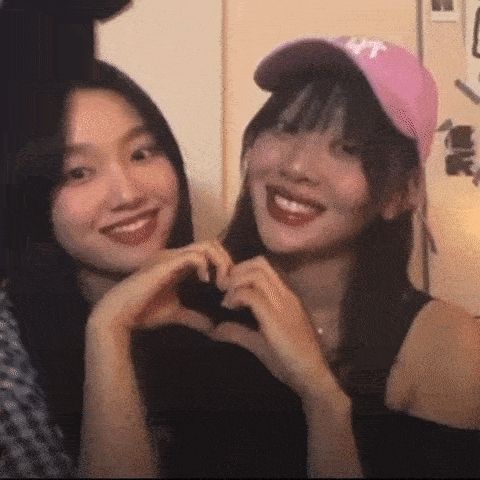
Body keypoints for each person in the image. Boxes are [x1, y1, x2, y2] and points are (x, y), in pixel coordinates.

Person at [82, 36, 480, 478]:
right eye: (286, 128)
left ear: (401, 194)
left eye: (348, 148)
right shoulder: (181, 306)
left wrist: (323, 398)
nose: (295, 168)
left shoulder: (449, 347)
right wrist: (107, 330)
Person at [1, 59, 209, 477]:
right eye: (77, 173)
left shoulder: (224, 297)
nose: (128, 193)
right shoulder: (8, 348)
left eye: (141, 153)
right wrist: (108, 329)